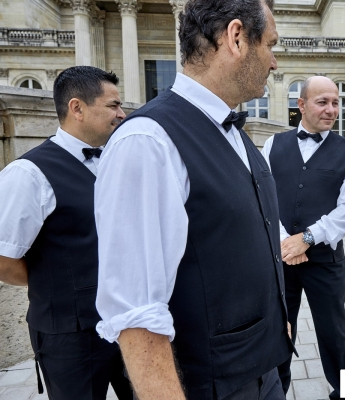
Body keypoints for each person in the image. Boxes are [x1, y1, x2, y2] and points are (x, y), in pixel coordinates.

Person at [93, 1, 294, 399]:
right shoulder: (148, 141)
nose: (274, 62)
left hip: (265, 369)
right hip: (208, 386)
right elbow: (135, 314)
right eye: (270, 44)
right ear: (236, 38)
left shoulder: (234, 132)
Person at [0, 66, 132, 400]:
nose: (122, 113)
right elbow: (3, 259)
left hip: (128, 322)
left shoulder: (115, 160)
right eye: (113, 105)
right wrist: (60, 282)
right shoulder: (27, 174)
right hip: (70, 338)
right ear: (77, 108)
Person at [261, 76, 345, 400]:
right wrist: (285, 242)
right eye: (323, 102)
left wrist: (307, 238)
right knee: (279, 330)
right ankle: (276, 392)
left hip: (326, 262)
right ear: (301, 105)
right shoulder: (272, 145)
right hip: (281, 260)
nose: (332, 109)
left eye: (336, 102)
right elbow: (264, 198)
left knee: (334, 334)